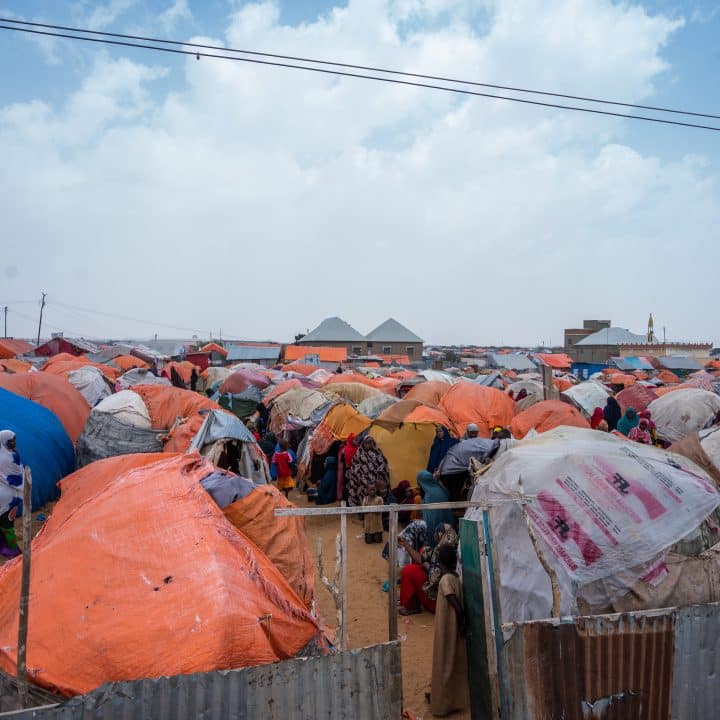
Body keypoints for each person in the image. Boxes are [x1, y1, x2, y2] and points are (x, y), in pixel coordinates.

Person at [429, 544, 469, 717]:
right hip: (452, 627)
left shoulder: (445, 580)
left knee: (442, 662)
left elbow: (457, 606)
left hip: (446, 627)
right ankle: (445, 699)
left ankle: (440, 706)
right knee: (451, 662)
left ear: (440, 561)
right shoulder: (456, 578)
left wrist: (461, 622)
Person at [398, 523, 458, 615]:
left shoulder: (445, 554)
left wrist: (426, 565)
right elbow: (421, 558)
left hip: (439, 603)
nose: (435, 535)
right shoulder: (449, 549)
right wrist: (406, 545)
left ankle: (412, 607)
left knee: (409, 571)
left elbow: (434, 577)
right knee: (417, 565)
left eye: (437, 533)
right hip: (444, 598)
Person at [346, 436, 389, 507]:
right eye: (366, 443)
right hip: (362, 480)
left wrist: (378, 474)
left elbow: (383, 463)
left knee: (376, 498)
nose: (368, 444)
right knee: (362, 495)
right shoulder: (359, 453)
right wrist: (362, 478)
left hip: (375, 480)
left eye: (370, 442)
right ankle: (362, 511)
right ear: (363, 443)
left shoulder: (377, 452)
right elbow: (355, 467)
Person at [0, 430, 23, 559]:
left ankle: (3, 547)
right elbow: (18, 478)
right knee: (8, 525)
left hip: (2, 495)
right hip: (10, 498)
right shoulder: (11, 457)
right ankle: (13, 551)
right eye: (11, 440)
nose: (14, 443)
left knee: (2, 522)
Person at [417, 471, 456, 544]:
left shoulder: (429, 496)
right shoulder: (440, 489)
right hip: (449, 532)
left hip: (436, 533)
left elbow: (429, 519)